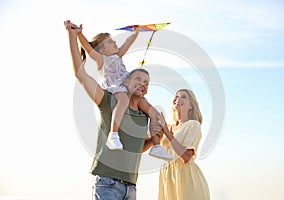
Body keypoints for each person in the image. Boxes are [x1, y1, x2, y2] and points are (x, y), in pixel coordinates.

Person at [65, 20, 162, 200]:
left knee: (156, 114)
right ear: (127, 81)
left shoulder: (143, 115)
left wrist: (158, 136)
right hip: (108, 184)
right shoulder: (109, 100)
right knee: (122, 100)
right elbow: (81, 73)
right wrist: (75, 35)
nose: (142, 84)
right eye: (138, 79)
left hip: (131, 187)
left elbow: (137, 147)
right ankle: (113, 134)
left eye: (146, 83)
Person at [76, 22, 172, 161]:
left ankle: (156, 146)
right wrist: (79, 34)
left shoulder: (118, 56)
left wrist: (135, 33)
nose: (114, 42)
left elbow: (128, 43)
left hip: (129, 87)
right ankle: (113, 134)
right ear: (102, 50)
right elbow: (87, 47)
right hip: (116, 87)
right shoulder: (102, 60)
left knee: (153, 112)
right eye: (109, 42)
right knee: (124, 100)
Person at [157, 89, 210, 200]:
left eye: (183, 97)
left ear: (191, 106)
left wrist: (168, 134)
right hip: (167, 177)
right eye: (176, 96)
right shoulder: (167, 125)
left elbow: (186, 157)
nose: (178, 98)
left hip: (186, 178)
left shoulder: (193, 125)